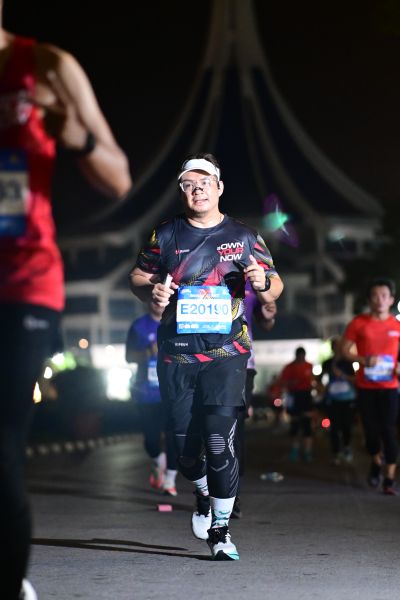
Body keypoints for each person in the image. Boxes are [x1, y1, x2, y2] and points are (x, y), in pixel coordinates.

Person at [0, 8, 132, 598]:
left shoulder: (46, 66)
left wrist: (74, 134)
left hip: (21, 282)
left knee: (1, 443)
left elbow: (118, 176)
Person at [129, 152, 283, 560]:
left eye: (203, 183)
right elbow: (138, 276)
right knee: (185, 452)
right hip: (177, 355)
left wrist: (262, 282)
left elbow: (275, 285)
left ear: (219, 188)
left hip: (227, 353)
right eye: (188, 185)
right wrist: (151, 291)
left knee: (219, 439)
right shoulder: (165, 235)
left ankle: (221, 529)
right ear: (182, 192)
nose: (196, 190)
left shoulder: (244, 236)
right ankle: (201, 492)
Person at [341, 278, 400, 495]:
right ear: (369, 300)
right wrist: (363, 360)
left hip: (391, 387)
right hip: (366, 387)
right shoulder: (358, 323)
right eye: (375, 296)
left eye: (384, 296)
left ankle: (389, 478)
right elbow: (344, 351)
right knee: (371, 432)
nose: (380, 300)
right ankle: (376, 461)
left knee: (389, 430)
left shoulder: (397, 326)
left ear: (391, 300)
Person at [231, 280, 277, 519]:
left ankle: (231, 493)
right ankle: (204, 486)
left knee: (234, 426)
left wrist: (269, 314)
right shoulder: (196, 266)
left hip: (243, 363)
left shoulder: (250, 275)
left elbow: (266, 320)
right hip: (203, 361)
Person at [126, 302, 178, 496]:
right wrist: (149, 351)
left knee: (174, 438)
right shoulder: (139, 326)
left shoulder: (177, 322)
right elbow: (128, 356)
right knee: (150, 439)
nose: (159, 301)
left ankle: (170, 479)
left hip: (172, 393)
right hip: (147, 393)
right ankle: (158, 460)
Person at [320, 336, 357, 465]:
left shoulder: (348, 362)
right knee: (334, 427)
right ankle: (336, 452)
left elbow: (355, 379)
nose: (337, 348)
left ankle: (346, 447)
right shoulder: (327, 363)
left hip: (348, 399)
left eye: (339, 346)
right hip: (332, 399)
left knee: (347, 426)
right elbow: (319, 379)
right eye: (335, 346)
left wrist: (342, 375)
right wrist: (323, 389)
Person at [278, 346, 317, 463]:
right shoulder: (289, 367)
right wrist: (291, 383)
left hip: (306, 396)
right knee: (295, 424)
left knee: (307, 424)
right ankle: (295, 450)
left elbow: (313, 380)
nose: (301, 359)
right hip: (294, 396)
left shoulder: (309, 366)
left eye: (302, 357)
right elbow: (282, 381)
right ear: (296, 356)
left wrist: (314, 386)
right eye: (299, 357)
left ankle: (307, 451)